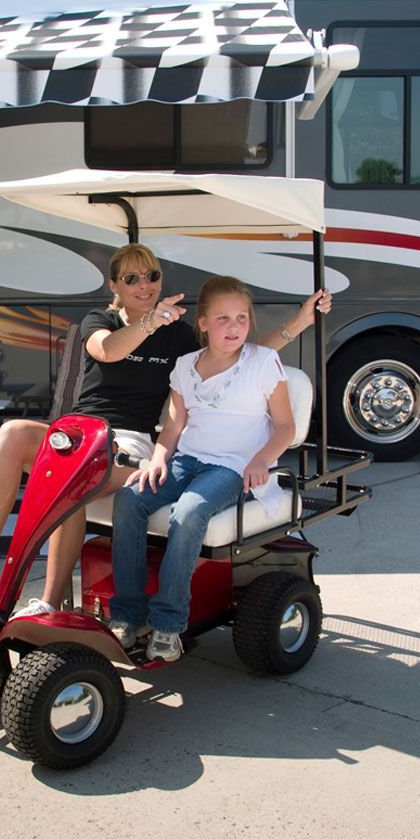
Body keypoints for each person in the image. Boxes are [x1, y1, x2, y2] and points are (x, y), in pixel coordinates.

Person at [0, 244, 330, 635]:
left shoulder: (175, 335)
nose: (145, 284)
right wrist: (148, 323)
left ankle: (51, 603)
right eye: (132, 278)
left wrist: (300, 321)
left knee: (74, 481)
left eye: (152, 276)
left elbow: (241, 353)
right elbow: (105, 351)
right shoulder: (100, 320)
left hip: (129, 441)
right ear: (115, 286)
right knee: (13, 432)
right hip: (79, 433)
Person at [109, 275, 296, 663]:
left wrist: (262, 459)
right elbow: (174, 425)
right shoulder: (184, 366)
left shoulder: (263, 361)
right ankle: (127, 615)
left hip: (234, 467)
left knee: (190, 510)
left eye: (241, 318)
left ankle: (167, 624)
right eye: (223, 318)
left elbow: (285, 426)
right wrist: (158, 458)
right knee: (129, 498)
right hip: (187, 460)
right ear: (204, 323)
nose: (234, 327)